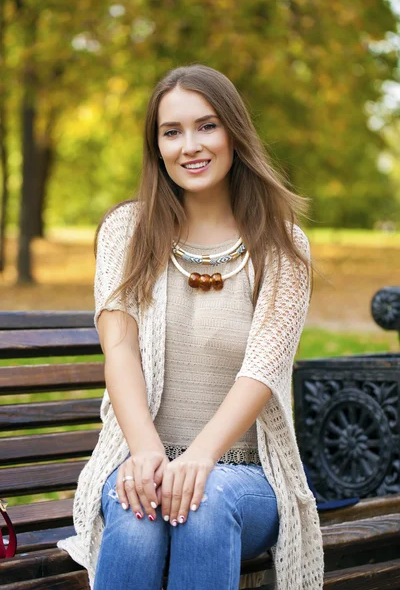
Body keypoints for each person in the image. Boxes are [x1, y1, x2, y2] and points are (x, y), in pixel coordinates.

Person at [58, 64, 324, 589]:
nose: (190, 145)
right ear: (156, 146)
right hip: (140, 456)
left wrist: (201, 458)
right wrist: (146, 451)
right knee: (136, 518)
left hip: (246, 475)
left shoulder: (281, 245)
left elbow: (263, 368)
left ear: (233, 133)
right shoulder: (125, 232)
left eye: (207, 126)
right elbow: (121, 350)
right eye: (171, 131)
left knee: (204, 503)